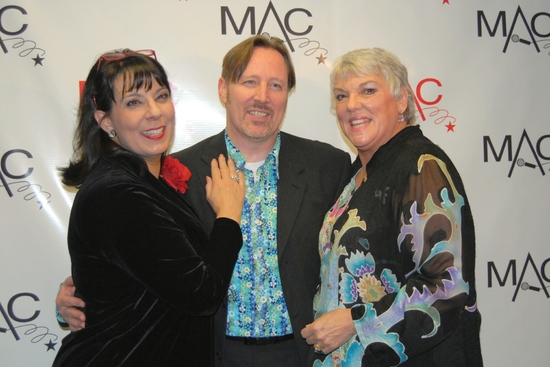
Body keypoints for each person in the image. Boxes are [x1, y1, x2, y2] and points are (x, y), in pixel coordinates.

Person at [56, 35, 353, 366]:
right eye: (249, 82)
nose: (262, 97)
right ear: (224, 90)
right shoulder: (176, 172)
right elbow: (137, 263)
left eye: (276, 85)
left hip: (302, 352)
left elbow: (357, 256)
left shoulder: (330, 166)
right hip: (211, 354)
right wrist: (78, 296)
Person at [52, 49, 245, 366]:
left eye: (161, 96)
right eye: (133, 102)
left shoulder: (146, 181)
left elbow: (135, 277)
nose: (154, 112)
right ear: (105, 120)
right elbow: (201, 293)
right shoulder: (118, 193)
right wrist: (228, 216)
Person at [300, 48, 483, 367]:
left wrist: (356, 320)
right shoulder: (358, 175)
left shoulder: (421, 167)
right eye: (342, 96)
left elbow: (446, 288)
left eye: (368, 90)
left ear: (402, 101)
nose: (352, 105)